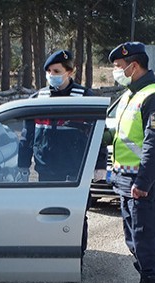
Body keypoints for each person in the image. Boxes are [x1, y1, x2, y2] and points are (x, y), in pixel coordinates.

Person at [108, 42, 155, 283]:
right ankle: (144, 282)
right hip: (129, 181)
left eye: (117, 67)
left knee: (147, 238)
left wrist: (143, 183)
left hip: (144, 183)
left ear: (132, 66)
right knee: (134, 238)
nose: (116, 72)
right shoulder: (132, 94)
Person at [18, 50, 106, 258]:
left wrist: (100, 164)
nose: (51, 75)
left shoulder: (84, 98)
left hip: (75, 171)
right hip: (46, 170)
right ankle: (50, 255)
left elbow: (100, 134)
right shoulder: (38, 98)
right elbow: (26, 137)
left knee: (76, 216)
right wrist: (22, 165)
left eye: (56, 71)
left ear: (70, 72)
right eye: (49, 71)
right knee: (47, 214)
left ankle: (76, 257)